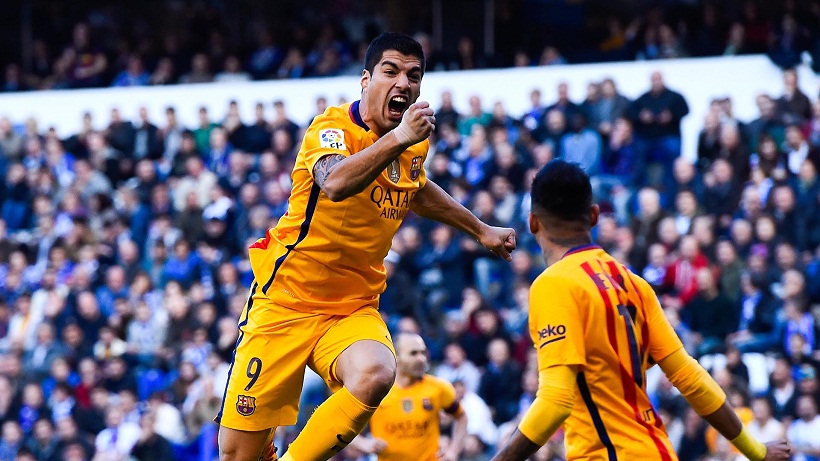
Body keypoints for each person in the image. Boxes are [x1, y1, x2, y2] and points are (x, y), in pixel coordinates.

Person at [216, 32, 516, 461]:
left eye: (414, 75)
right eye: (391, 71)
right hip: (285, 301)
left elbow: (416, 187)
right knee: (236, 456)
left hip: (351, 306)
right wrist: (398, 139)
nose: (404, 83)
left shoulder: (411, 142)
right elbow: (334, 183)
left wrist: (480, 228)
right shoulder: (333, 126)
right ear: (365, 79)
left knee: (377, 373)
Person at [489, 159, 789, 461]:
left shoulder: (553, 285)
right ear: (594, 216)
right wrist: (756, 451)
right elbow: (690, 377)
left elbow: (555, 401)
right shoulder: (633, 283)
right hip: (657, 451)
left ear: (533, 222)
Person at [349, 333, 468, 460]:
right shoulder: (376, 390)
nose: (421, 359)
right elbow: (344, 425)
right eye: (413, 353)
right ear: (396, 356)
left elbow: (461, 417)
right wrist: (364, 444)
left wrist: (453, 451)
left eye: (423, 353)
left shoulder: (438, 388)